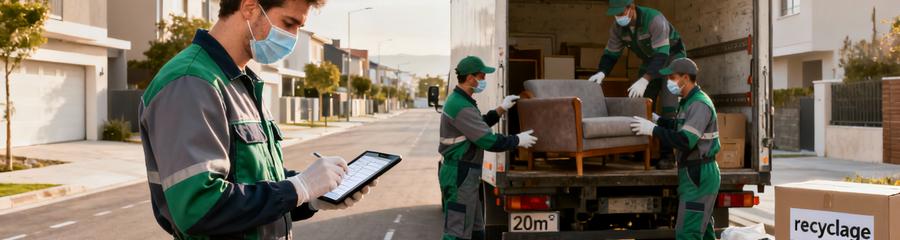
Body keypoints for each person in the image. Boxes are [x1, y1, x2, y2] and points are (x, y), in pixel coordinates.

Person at [140, 0, 374, 239]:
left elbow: (255, 182)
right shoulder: (190, 83)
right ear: (250, 8)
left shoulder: (242, 83)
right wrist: (299, 187)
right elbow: (198, 208)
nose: (293, 38)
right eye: (289, 23)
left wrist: (311, 198)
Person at [439, 56, 538, 240]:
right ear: (470, 78)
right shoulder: (461, 106)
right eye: (482, 76)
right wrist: (517, 140)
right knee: (457, 233)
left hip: (466, 174)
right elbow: (488, 141)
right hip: (460, 174)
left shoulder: (462, 101)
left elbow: (478, 126)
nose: (484, 81)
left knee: (476, 230)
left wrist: (501, 109)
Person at [629, 58, 721, 239]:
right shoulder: (688, 101)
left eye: (672, 77)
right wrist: (657, 119)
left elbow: (685, 140)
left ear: (685, 78)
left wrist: (653, 130)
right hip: (693, 173)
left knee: (688, 232)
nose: (669, 81)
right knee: (703, 230)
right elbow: (680, 126)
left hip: (699, 175)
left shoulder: (699, 104)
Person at [588, 0, 687, 169]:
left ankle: (667, 155)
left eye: (621, 12)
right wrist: (602, 72)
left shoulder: (655, 19)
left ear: (631, 8)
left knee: (669, 107)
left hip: (671, 59)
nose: (618, 17)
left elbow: (662, 54)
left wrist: (645, 79)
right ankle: (642, 149)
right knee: (640, 104)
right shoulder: (617, 28)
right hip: (650, 60)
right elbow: (611, 53)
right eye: (615, 13)